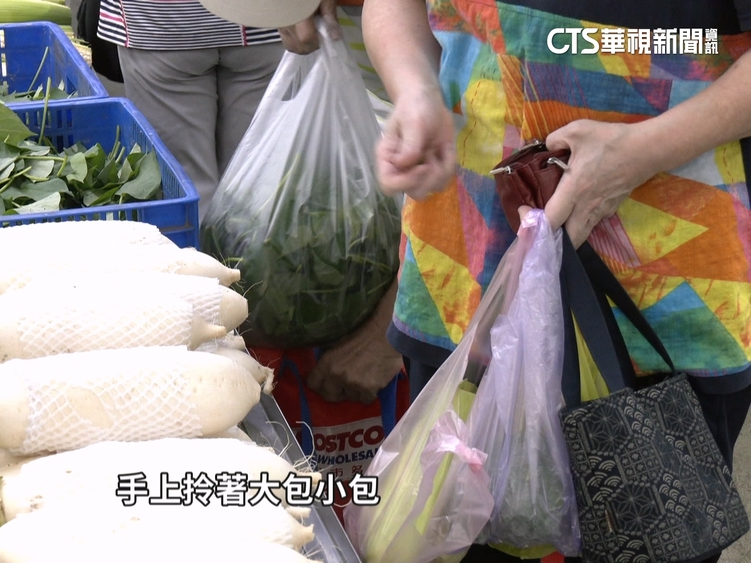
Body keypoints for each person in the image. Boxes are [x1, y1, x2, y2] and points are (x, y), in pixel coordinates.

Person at [205, 0, 751, 562]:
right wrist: (417, 91)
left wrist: (639, 154)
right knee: (456, 535)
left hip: (666, 302)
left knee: (646, 536)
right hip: (464, 271)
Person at [93, 1, 291, 222]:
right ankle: (247, 252)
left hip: (160, 24)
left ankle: (200, 253)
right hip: (266, 21)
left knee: (184, 183)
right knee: (255, 180)